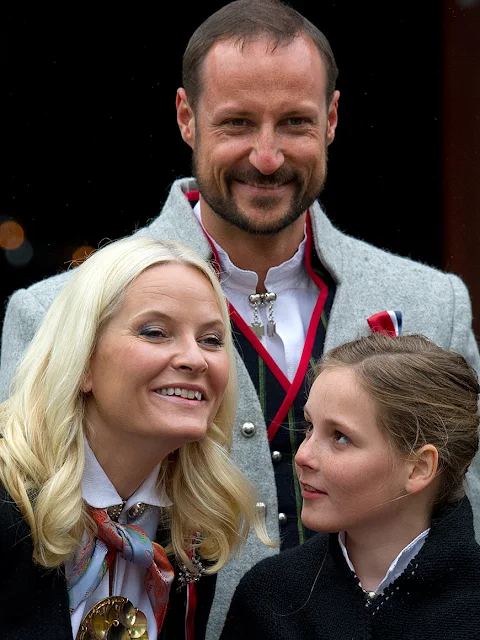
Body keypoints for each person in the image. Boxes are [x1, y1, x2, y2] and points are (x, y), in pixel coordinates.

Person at [1, 0, 480, 637]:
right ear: (186, 118)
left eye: (295, 123)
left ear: (333, 120)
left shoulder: (431, 302)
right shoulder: (53, 310)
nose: (266, 156)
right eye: (236, 123)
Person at [0, 234, 272, 640]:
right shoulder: (8, 506)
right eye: (155, 332)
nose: (194, 359)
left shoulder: (189, 530)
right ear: (83, 362)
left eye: (211, 339)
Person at [220, 332, 480, 639]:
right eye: (309, 427)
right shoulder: (270, 597)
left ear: (419, 468)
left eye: (340, 437)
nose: (303, 456)